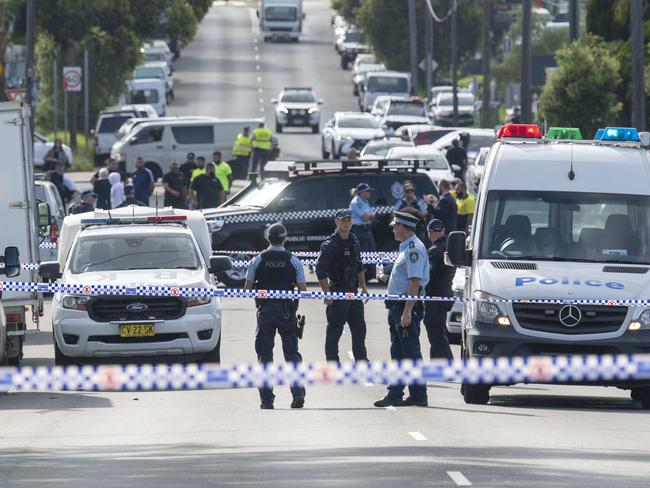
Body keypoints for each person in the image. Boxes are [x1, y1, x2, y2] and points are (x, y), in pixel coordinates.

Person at [244, 223, 308, 410]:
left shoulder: (258, 259)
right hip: (287, 312)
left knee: (264, 356)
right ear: (285, 238)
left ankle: (267, 400)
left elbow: (247, 288)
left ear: (268, 238)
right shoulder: (293, 260)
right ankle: (298, 395)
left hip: (265, 313)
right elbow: (303, 290)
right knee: (292, 354)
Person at [374, 211, 429, 408]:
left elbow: (415, 284)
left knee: (410, 353)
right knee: (399, 353)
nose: (393, 229)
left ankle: (418, 395)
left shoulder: (413, 250)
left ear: (404, 227)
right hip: (397, 307)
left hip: (405, 308)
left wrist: (407, 312)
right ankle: (398, 393)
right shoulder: (406, 248)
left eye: (395, 226)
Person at [316, 209, 369, 363]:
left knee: (359, 329)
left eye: (349, 220)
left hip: (353, 291)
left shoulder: (354, 239)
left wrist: (364, 288)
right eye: (343, 220)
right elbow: (320, 270)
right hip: (338, 291)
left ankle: (361, 360)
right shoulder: (330, 245)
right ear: (337, 222)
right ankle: (332, 362)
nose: (347, 223)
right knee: (335, 330)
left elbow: (359, 265)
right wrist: (327, 294)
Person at [423, 219, 455, 360]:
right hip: (445, 295)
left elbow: (427, 276)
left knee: (435, 334)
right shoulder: (449, 247)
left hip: (435, 297)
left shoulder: (434, 251)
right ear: (443, 231)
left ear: (429, 233)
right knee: (438, 332)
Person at [349, 182, 377, 281]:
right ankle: (360, 278)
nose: (369, 193)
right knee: (363, 254)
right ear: (361, 192)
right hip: (359, 230)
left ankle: (369, 275)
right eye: (367, 191)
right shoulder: (357, 202)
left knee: (371, 253)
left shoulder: (365, 201)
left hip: (366, 230)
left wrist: (370, 215)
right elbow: (365, 217)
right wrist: (370, 215)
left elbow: (371, 215)